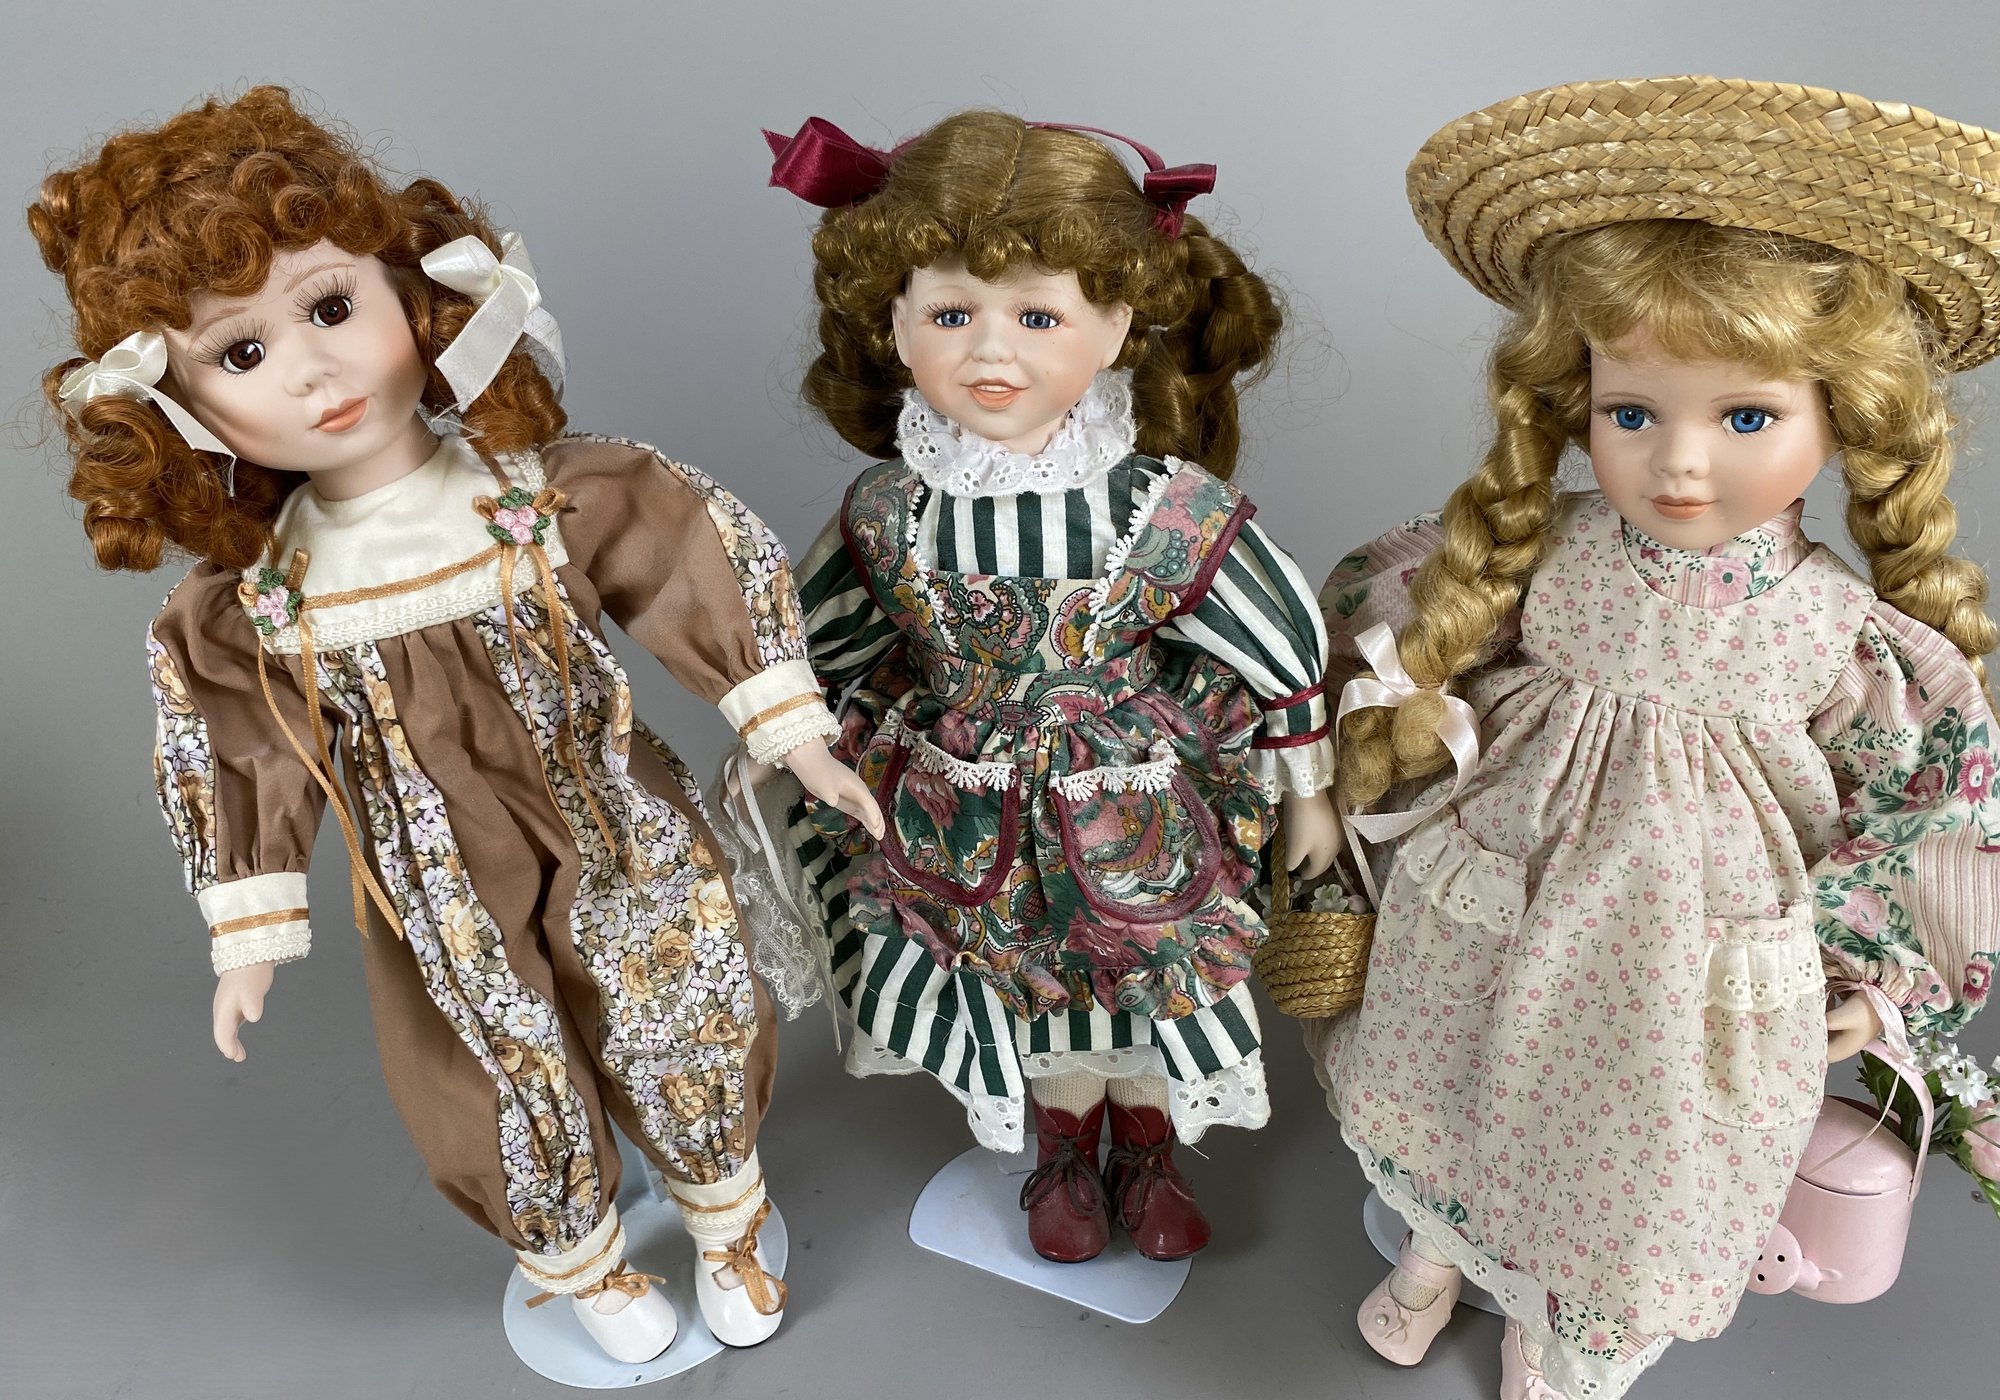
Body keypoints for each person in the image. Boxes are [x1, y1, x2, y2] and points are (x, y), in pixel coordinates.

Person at [34, 86, 878, 1364]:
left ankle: (728, 1217)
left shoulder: (540, 496)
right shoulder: (260, 596)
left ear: (407, 286)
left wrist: (792, 733)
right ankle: (583, 1260)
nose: (311, 369)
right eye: (240, 353)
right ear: (179, 407)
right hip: (431, 874)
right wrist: (247, 932)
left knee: (678, 989)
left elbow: (683, 556)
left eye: (329, 307)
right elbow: (238, 743)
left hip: (611, 814)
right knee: (492, 1052)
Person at [1308, 76, 2000, 1399]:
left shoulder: (1836, 628)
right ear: (1577, 403)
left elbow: (1922, 809)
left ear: (1841, 417)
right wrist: (1400, 714)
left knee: (1639, 1150)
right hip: (1500, 888)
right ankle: (1436, 1252)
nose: (1681, 462)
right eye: (1634, 412)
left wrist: (1872, 973)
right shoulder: (1548, 549)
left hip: (1685, 949)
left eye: (1744, 417)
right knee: (1444, 1069)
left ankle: (1569, 1332)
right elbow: (1402, 628)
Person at [765, 111, 1340, 1264]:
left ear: (1114, 325)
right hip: (963, 798)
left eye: (1037, 316)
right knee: (1020, 978)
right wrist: (796, 738)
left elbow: (1274, 628)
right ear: (893, 321)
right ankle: (1063, 1149)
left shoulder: (1156, 504)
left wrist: (1308, 790)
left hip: (1130, 788)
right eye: (950, 314)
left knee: (1147, 970)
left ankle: (1149, 1149)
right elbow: (813, 635)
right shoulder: (889, 510)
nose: (993, 351)